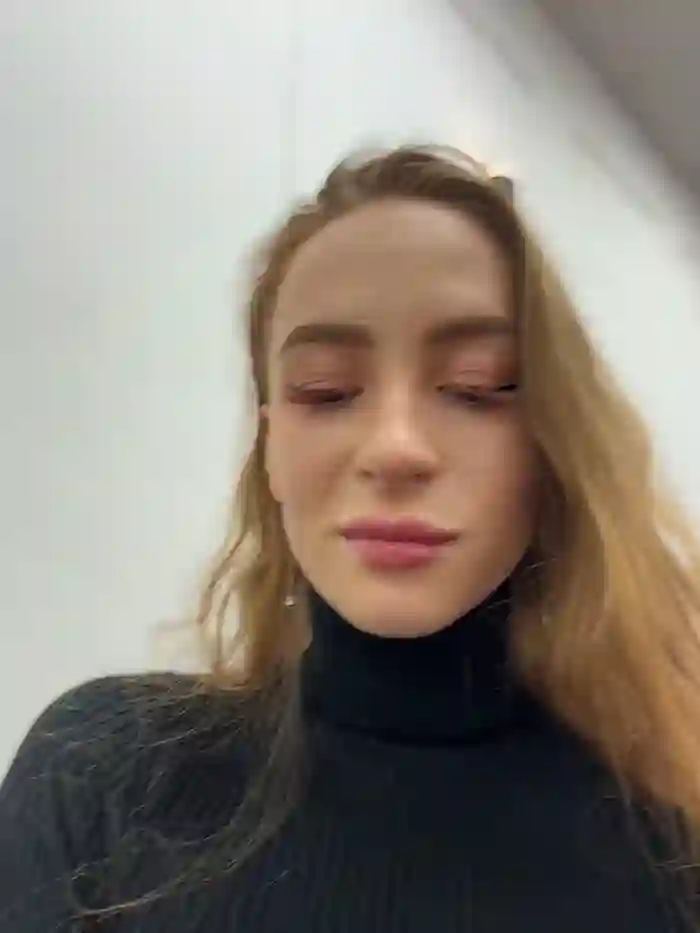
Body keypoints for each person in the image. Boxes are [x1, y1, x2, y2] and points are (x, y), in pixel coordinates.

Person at [2, 145, 700, 933]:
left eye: (475, 387)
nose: (394, 447)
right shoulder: (105, 777)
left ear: (553, 442)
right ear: (271, 446)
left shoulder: (672, 857)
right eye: (326, 390)